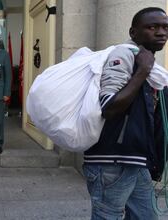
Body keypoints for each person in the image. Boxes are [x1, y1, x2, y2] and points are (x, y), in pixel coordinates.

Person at [83, 7, 168, 220]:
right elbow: (110, 107)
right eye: (152, 27)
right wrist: (142, 71)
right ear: (133, 33)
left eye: (165, 27)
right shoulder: (125, 56)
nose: (161, 33)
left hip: (135, 161)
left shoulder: (148, 63)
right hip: (112, 162)